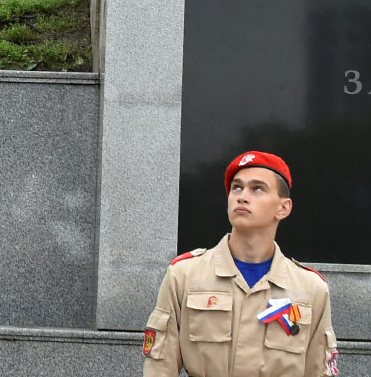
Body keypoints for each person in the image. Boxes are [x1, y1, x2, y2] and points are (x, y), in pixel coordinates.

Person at [142, 151, 338, 377]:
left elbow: (318, 371)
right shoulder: (184, 275)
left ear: (283, 208)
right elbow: (160, 367)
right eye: (237, 187)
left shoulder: (311, 289)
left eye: (257, 189)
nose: (242, 196)